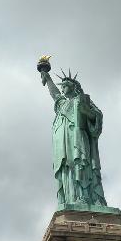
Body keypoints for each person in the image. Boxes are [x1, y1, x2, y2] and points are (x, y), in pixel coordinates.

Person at [39, 67, 108, 208]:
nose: (62, 88)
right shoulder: (62, 104)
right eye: (62, 86)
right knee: (66, 168)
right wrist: (48, 78)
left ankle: (84, 197)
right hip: (63, 143)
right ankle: (70, 198)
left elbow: (97, 115)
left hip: (78, 139)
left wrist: (86, 112)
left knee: (80, 165)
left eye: (64, 86)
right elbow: (55, 94)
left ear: (72, 87)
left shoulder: (81, 100)